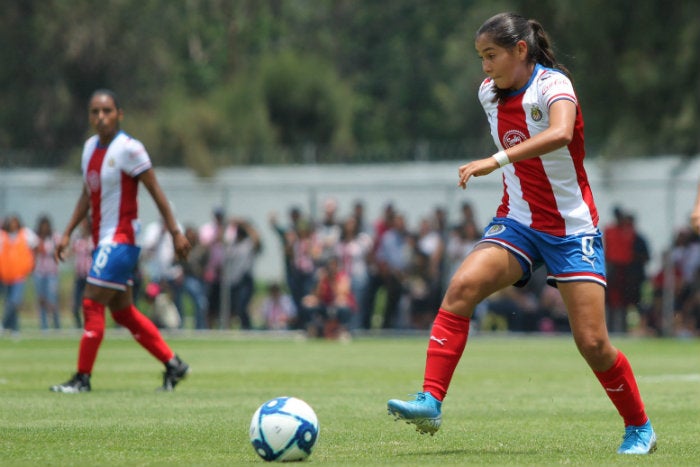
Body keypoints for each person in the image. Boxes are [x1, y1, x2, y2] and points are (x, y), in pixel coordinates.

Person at [387, 13, 656, 455]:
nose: (484, 67)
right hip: (519, 221)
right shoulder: (487, 94)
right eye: (480, 57)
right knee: (462, 287)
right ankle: (430, 399)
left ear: (520, 50)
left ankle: (639, 427)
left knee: (592, 343)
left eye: (490, 55)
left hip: (572, 228)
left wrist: (496, 160)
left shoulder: (554, 86)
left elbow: (561, 132)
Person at [50, 89, 191, 393]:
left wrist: (176, 231)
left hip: (121, 239)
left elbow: (155, 191)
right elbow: (87, 195)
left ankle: (82, 379)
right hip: (104, 241)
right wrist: (67, 232)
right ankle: (173, 364)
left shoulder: (129, 149)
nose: (100, 117)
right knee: (123, 313)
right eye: (95, 112)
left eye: (107, 111)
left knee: (90, 302)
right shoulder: (89, 149)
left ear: (119, 114)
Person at [0, 214, 38, 333]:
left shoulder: (25, 233)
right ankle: (15, 328)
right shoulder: (2, 236)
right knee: (8, 302)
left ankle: (4, 324)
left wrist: (32, 262)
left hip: (19, 274)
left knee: (15, 301)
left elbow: (36, 245)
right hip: (5, 274)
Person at [34, 214, 62, 330]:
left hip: (52, 272)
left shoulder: (54, 237)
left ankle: (56, 325)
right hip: (39, 271)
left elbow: (61, 249)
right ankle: (44, 326)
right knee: (42, 299)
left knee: (52, 299)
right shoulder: (36, 238)